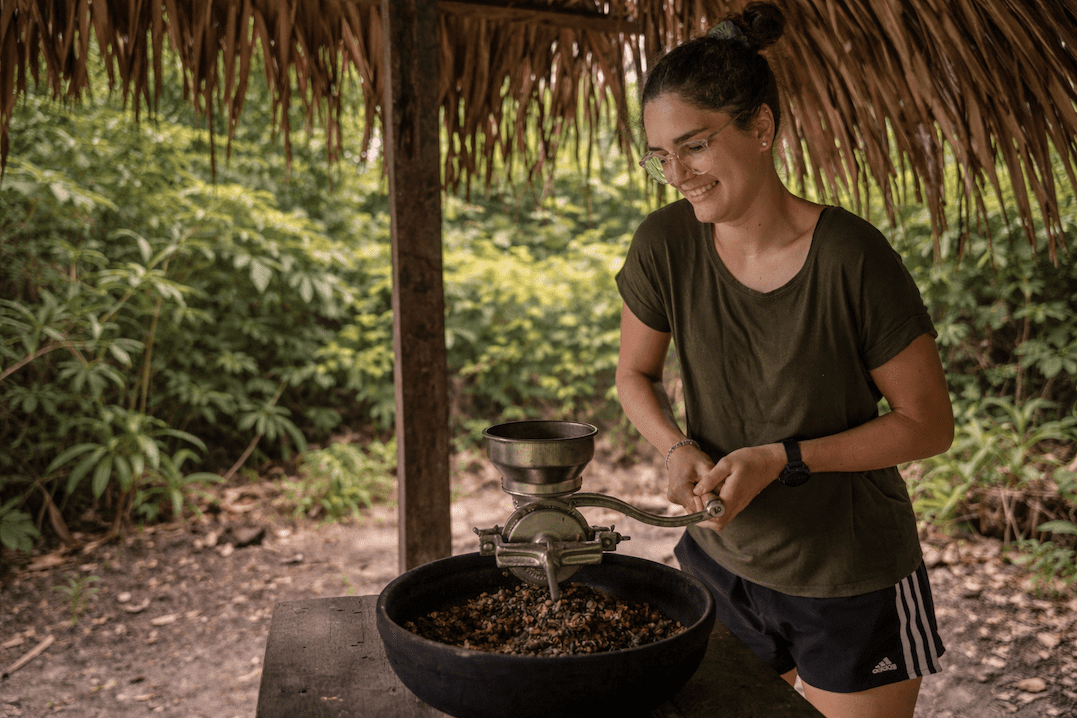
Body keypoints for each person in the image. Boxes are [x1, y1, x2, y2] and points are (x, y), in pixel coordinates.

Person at [614, 4, 955, 717]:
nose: (675, 173)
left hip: (849, 576)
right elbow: (634, 375)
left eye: (695, 146)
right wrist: (674, 444)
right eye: (659, 155)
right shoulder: (663, 243)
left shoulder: (851, 257)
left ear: (760, 128)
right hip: (720, 564)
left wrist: (780, 458)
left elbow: (926, 426)